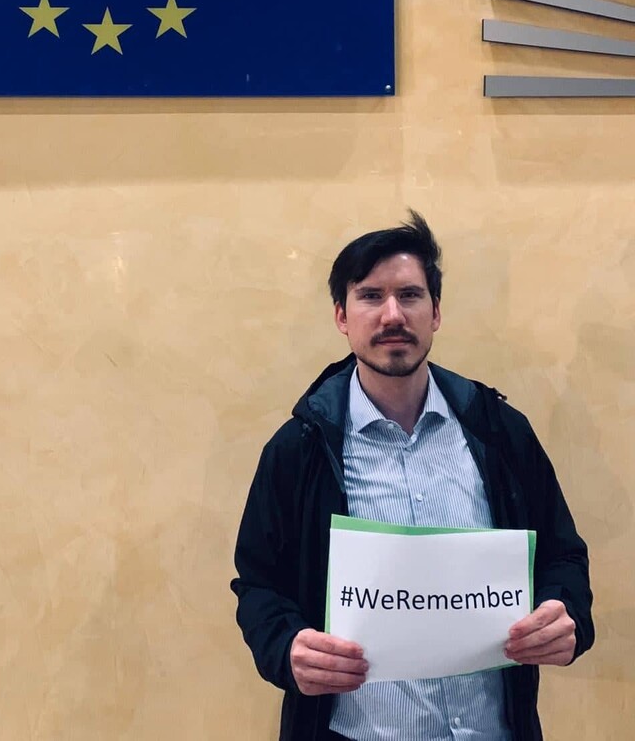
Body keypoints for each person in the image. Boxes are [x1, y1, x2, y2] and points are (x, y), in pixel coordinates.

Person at [231, 211, 593, 741]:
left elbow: (563, 554)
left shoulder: (500, 433)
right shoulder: (299, 449)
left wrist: (567, 615)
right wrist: (286, 649)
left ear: (437, 312)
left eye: (410, 294)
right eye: (371, 296)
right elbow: (259, 585)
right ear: (341, 315)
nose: (392, 314)